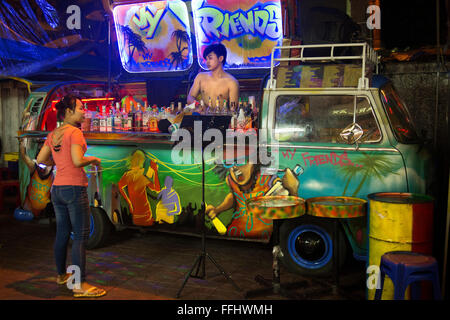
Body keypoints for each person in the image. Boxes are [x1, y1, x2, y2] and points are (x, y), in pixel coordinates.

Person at [36, 94, 106, 298]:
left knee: (62, 234)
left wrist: (58, 164)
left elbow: (40, 160)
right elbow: (77, 161)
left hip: (57, 189)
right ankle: (79, 284)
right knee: (80, 237)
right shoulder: (74, 133)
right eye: (81, 108)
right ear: (68, 112)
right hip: (74, 188)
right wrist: (93, 159)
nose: (84, 112)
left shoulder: (54, 133)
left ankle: (61, 275)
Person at [187, 43, 239, 111]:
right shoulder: (200, 77)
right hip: (202, 117)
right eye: (206, 59)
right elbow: (190, 98)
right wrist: (199, 106)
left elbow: (233, 109)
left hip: (221, 119)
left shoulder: (232, 82)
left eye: (210, 58)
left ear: (220, 58)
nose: (207, 62)